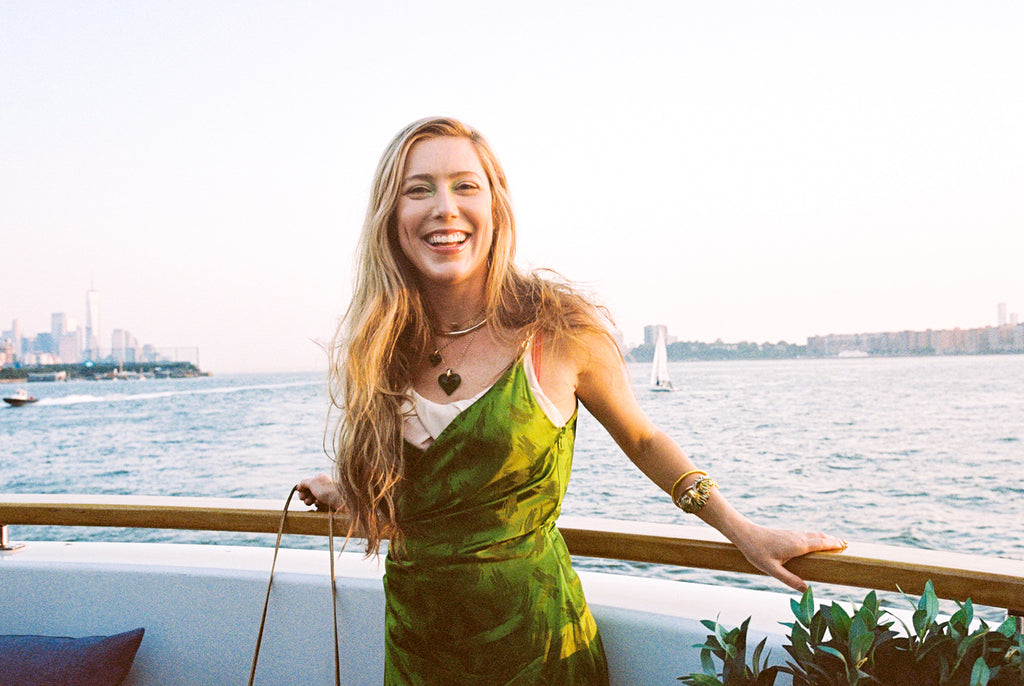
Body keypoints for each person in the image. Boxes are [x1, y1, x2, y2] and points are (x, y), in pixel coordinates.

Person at [298, 116, 845, 685]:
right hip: (418, 643)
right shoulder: (379, 345)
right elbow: (434, 490)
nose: (445, 207)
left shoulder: (557, 330)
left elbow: (643, 439)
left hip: (538, 644)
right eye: (419, 189)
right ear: (391, 215)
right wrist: (350, 489)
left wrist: (740, 530)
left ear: (496, 207)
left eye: (465, 186)